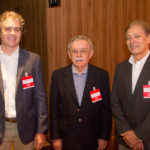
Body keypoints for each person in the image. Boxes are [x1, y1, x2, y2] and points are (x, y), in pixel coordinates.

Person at [50, 35, 112, 150]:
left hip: (93, 138)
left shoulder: (101, 76)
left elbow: (106, 109)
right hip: (66, 138)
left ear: (91, 54)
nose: (79, 55)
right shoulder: (57, 76)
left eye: (83, 51)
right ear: (69, 54)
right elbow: (53, 110)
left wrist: (104, 136)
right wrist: (55, 137)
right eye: (75, 51)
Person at [0, 11, 48, 150]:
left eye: (17, 29)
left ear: (22, 33)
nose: (12, 33)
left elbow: (41, 98)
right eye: (7, 29)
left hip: (27, 129)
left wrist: (41, 130)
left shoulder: (33, 60)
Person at [111, 20, 150, 150]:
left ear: (149, 38)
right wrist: (127, 132)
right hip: (124, 140)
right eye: (128, 38)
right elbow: (115, 102)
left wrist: (138, 136)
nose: (132, 41)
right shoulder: (121, 68)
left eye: (137, 36)